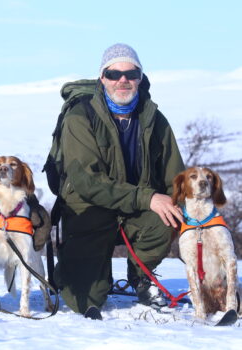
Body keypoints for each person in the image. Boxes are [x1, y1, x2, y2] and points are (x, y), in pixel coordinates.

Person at [53, 43, 185, 316]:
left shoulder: (154, 119)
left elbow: (176, 178)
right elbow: (87, 182)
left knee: (166, 217)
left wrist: (195, 218)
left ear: (140, 77)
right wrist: (147, 197)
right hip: (89, 211)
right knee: (87, 300)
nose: (122, 80)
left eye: (131, 73)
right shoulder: (80, 116)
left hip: (136, 211)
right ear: (102, 78)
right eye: (114, 74)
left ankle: (142, 277)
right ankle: (77, 271)